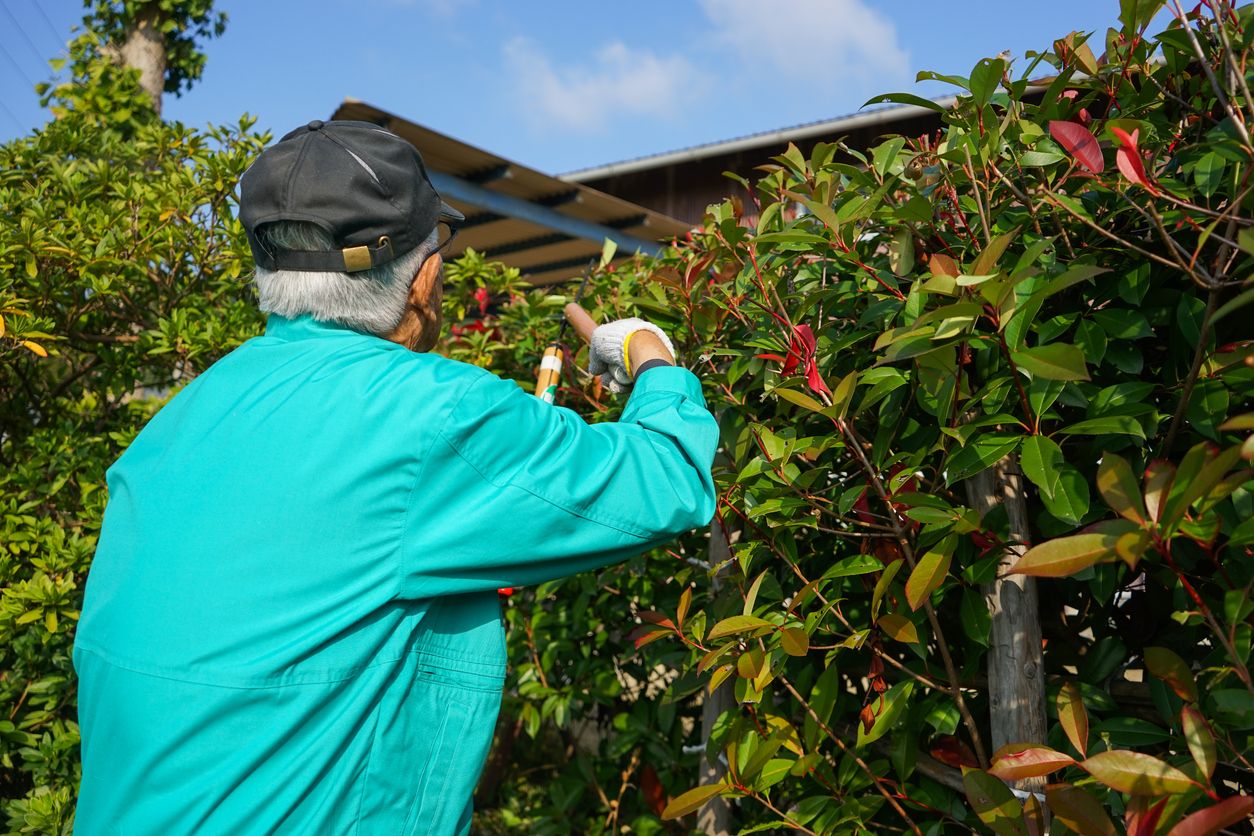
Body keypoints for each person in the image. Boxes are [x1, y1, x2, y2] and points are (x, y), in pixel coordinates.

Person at [72, 120, 718, 834]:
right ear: (426, 277)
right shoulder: (433, 415)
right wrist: (651, 357)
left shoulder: (183, 416)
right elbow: (667, 477)